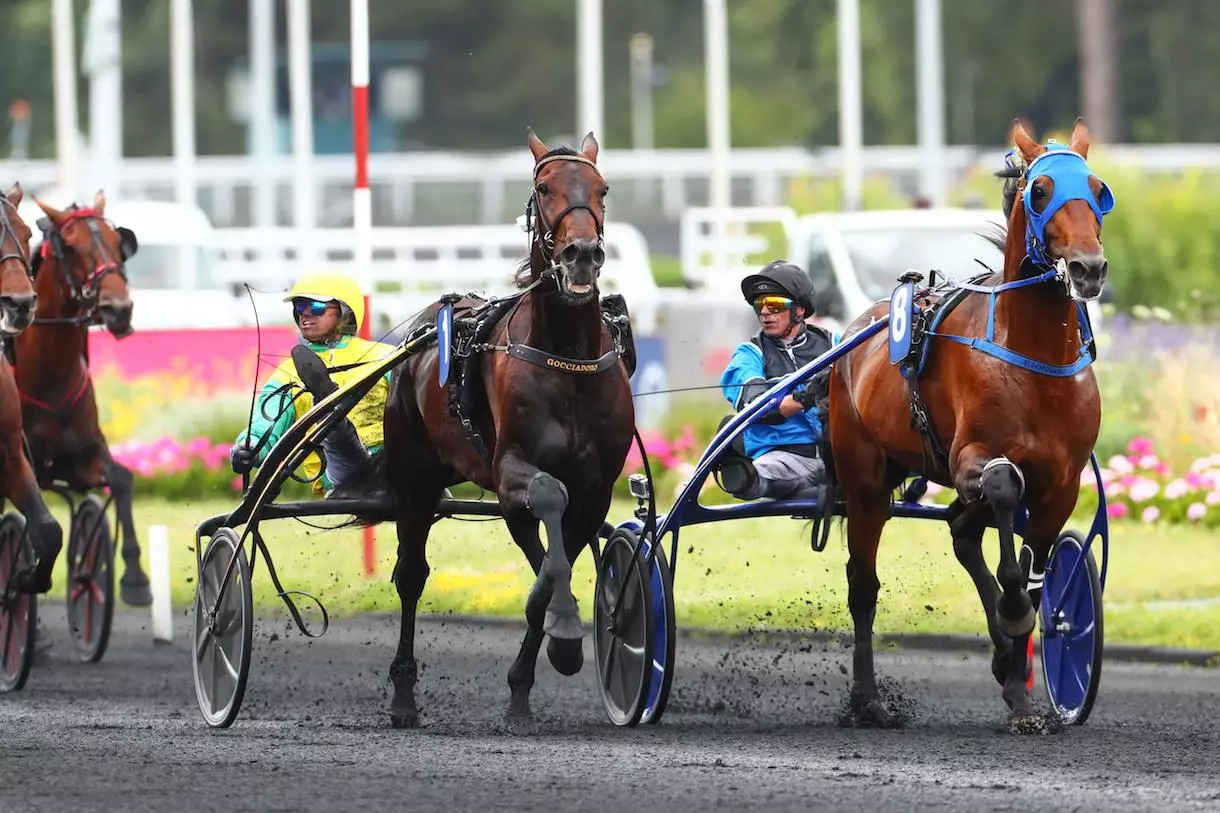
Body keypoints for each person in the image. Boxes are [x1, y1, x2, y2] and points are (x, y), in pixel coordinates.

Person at [229, 270, 397, 499]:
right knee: (336, 425)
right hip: (344, 476)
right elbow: (265, 420)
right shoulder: (289, 371)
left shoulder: (387, 357)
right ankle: (327, 400)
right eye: (299, 308)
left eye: (316, 307)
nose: (305, 315)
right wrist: (249, 447)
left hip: (398, 462)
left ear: (345, 314)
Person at [716, 260, 836, 501]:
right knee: (763, 474)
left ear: (799, 309)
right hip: (783, 458)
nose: (765, 312)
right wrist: (806, 396)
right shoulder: (749, 354)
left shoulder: (835, 343)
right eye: (760, 305)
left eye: (774, 305)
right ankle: (749, 480)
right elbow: (757, 407)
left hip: (838, 455)